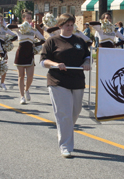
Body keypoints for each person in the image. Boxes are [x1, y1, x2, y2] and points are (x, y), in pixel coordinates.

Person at [40, 13, 91, 158]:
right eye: (67, 25)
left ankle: (64, 131)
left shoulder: (79, 41)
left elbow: (87, 56)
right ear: (60, 26)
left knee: (75, 112)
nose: (70, 28)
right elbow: (43, 61)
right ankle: (65, 146)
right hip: (58, 81)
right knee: (64, 114)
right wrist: (56, 64)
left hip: (77, 81)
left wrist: (86, 63)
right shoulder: (52, 41)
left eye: (71, 25)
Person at [7, 10, 45, 104]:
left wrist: (35, 45)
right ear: (23, 18)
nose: (29, 19)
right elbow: (8, 27)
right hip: (21, 52)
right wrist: (19, 26)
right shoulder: (20, 28)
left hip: (29, 53)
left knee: (30, 76)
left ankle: (26, 89)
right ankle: (22, 96)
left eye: (30, 18)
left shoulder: (33, 29)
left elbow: (43, 39)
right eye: (27, 18)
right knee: (21, 76)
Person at [0, 13, 17, 90]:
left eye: (1, 19)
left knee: (4, 65)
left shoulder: (4, 28)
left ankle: (2, 83)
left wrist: (8, 41)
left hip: (3, 48)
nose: (0, 21)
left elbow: (14, 36)